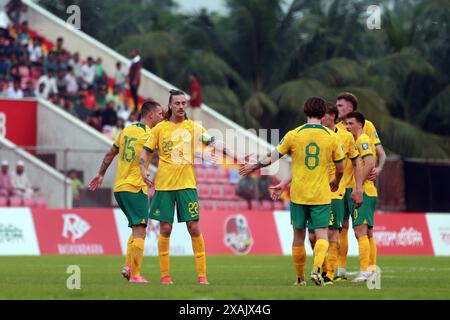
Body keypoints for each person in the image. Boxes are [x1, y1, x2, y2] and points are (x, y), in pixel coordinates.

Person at [240, 96, 345, 286]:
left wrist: (253, 166)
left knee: (298, 236)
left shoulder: (293, 134)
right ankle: (316, 270)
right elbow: (340, 168)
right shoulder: (332, 137)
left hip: (298, 194)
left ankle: (300, 278)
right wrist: (336, 182)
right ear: (323, 114)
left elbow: (273, 156)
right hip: (321, 194)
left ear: (305, 112)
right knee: (322, 234)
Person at [139, 89, 240, 285]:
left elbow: (214, 142)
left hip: (187, 185)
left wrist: (234, 155)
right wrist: (143, 170)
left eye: (183, 103)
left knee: (194, 228)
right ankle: (165, 276)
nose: (180, 106)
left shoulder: (193, 127)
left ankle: (202, 276)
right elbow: (145, 152)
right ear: (170, 105)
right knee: (165, 229)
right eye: (176, 103)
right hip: (164, 186)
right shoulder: (160, 129)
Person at [89, 100, 164, 283]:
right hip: (135, 187)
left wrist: (100, 174)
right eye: (160, 114)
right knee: (140, 230)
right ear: (151, 115)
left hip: (120, 188)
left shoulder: (126, 131)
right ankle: (136, 276)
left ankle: (128, 267)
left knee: (136, 228)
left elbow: (110, 154)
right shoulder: (150, 134)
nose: (162, 117)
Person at [302, 103, 363, 285]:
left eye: (325, 116)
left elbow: (356, 162)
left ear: (332, 117)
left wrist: (358, 188)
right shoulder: (315, 135)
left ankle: (329, 274)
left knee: (332, 233)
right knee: (312, 236)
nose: (322, 119)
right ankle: (319, 265)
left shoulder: (345, 136)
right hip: (314, 191)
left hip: (335, 193)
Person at [334, 92, 386, 281]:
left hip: (359, 186)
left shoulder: (365, 129)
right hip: (343, 187)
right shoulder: (337, 129)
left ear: (351, 108)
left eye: (340, 105)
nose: (337, 108)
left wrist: (377, 170)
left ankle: (368, 269)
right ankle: (341, 268)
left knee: (362, 230)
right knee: (343, 228)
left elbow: (377, 156)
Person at [345, 111, 378, 283]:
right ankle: (371, 269)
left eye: (351, 124)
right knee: (368, 232)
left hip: (363, 191)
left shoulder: (362, 140)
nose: (348, 127)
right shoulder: (356, 141)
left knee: (360, 231)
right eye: (346, 124)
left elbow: (371, 162)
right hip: (367, 190)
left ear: (360, 125)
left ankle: (365, 271)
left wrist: (358, 187)